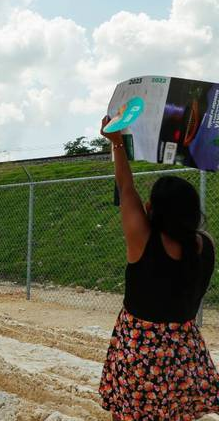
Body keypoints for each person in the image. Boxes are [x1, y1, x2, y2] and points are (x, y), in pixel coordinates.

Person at [98, 116, 219, 420]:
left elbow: (126, 187)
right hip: (184, 352)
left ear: (154, 210)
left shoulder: (144, 242)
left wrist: (116, 142)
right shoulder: (205, 245)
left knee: (130, 413)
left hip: (141, 352)